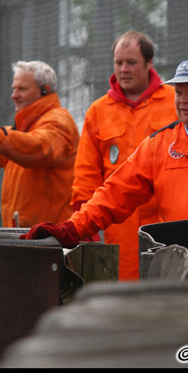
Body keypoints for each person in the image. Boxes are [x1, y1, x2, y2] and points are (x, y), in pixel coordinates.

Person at [20, 59, 188, 253]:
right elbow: (114, 193)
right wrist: (71, 229)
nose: (183, 100)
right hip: (181, 262)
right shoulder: (159, 145)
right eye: (179, 92)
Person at [72, 31, 178, 280]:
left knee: (164, 288)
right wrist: (85, 224)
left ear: (149, 63)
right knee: (121, 291)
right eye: (118, 63)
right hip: (116, 225)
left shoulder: (175, 102)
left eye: (131, 63)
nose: (124, 69)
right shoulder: (98, 111)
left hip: (166, 220)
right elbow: (86, 172)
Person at [0, 60, 79, 228]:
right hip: (33, 236)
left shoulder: (59, 122)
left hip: (50, 239)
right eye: (14, 88)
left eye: (22, 89)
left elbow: (38, 147)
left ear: (45, 90)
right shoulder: (26, 130)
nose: (14, 95)